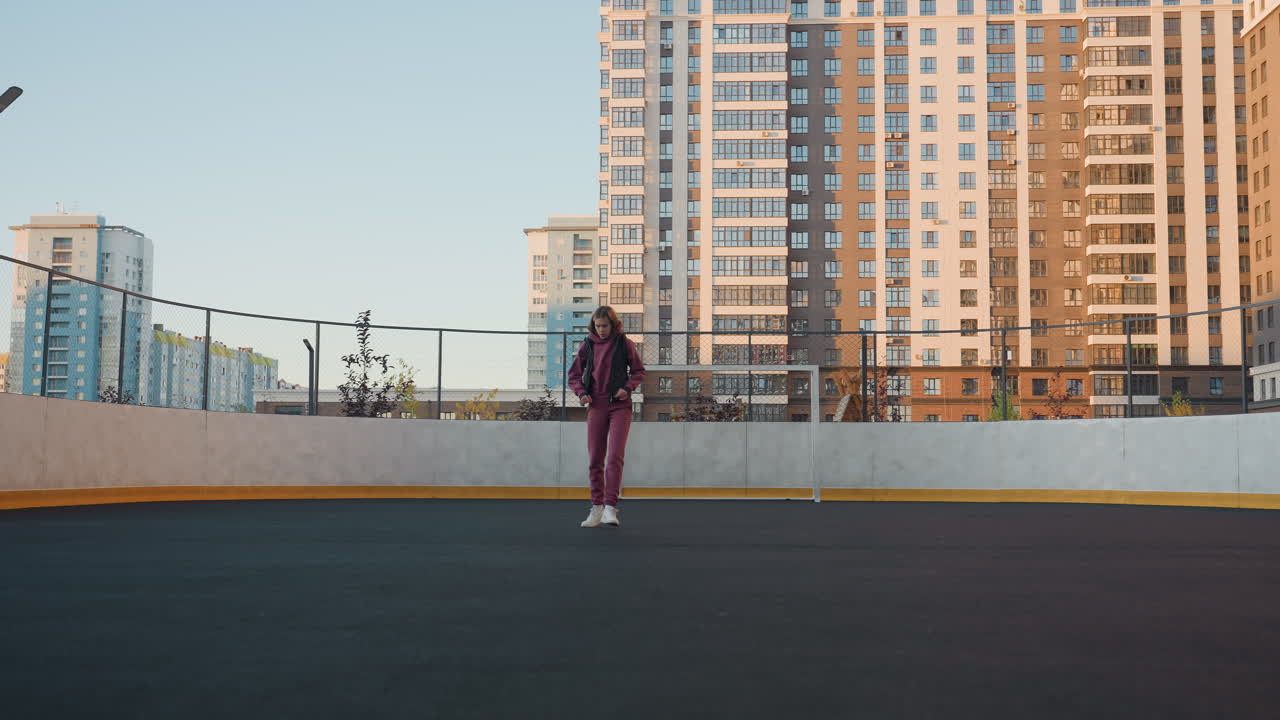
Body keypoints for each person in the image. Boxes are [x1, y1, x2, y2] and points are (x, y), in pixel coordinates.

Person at [566, 306, 645, 528]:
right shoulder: (588, 345)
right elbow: (573, 375)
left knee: (615, 457)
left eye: (605, 326)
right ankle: (596, 508)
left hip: (620, 406)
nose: (601, 330)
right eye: (598, 326)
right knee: (595, 459)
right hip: (596, 406)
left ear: (613, 325)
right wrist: (581, 393)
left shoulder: (624, 343)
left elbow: (638, 371)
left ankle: (611, 508)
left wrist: (627, 388)